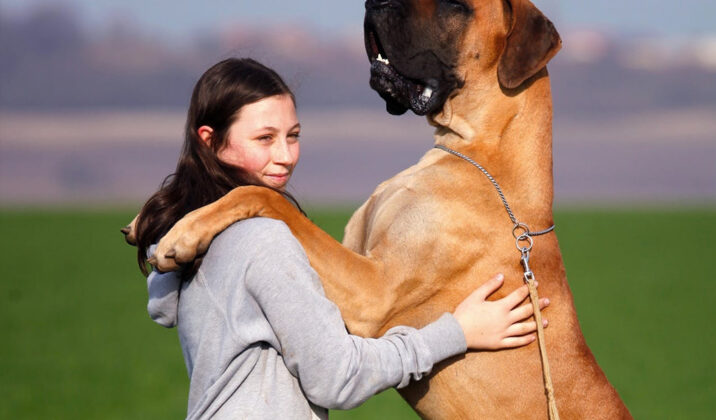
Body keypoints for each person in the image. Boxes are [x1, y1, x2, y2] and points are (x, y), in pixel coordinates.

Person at [132, 58, 549, 419]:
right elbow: (338, 377)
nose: (285, 156)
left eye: (293, 135)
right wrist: (457, 333)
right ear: (210, 141)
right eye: (265, 138)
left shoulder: (197, 241)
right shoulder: (260, 239)